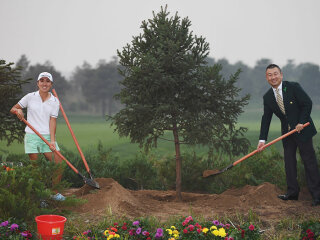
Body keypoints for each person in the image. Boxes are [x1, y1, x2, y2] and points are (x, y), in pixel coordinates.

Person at [257, 64, 320, 206]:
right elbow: (266, 119)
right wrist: (262, 139)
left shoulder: (293, 87)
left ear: (281, 74)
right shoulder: (267, 97)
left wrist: (301, 122)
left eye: (275, 74)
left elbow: (307, 104)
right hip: (287, 133)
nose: (273, 77)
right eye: (270, 75)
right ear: (266, 78)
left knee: (309, 162)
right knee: (289, 162)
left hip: (303, 129)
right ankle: (292, 193)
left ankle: (317, 195)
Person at [10, 72, 65, 201]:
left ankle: (54, 193)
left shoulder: (54, 101)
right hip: (32, 136)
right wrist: (18, 110)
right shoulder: (30, 97)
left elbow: (53, 121)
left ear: (51, 84)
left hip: (46, 136)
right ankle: (40, 197)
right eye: (42, 80)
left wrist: (52, 141)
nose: (44, 83)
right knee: (37, 168)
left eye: (47, 81)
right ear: (37, 83)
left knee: (59, 163)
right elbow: (13, 108)